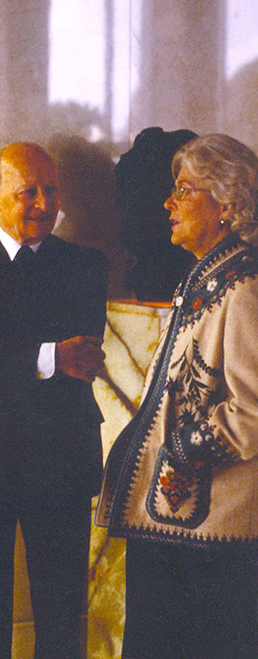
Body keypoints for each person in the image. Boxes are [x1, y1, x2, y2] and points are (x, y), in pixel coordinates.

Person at [0, 142, 108, 658]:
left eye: (50, 190)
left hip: (62, 458)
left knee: (59, 621)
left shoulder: (86, 266)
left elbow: (84, 356)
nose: (42, 202)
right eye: (27, 191)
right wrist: (48, 355)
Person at [96, 133, 258, 658]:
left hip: (212, 531)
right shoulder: (207, 277)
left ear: (226, 203)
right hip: (178, 520)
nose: (169, 203)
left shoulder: (244, 287)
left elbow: (254, 410)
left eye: (184, 190)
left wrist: (184, 447)